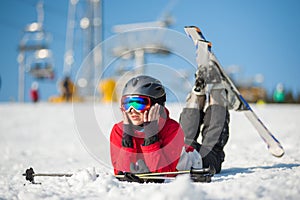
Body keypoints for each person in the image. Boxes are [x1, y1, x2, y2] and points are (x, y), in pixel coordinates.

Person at [109, 75, 230, 182]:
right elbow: (121, 172)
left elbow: (163, 172)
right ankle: (196, 95)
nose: (131, 110)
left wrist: (151, 136)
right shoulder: (119, 131)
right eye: (127, 103)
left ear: (156, 105)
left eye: (138, 103)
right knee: (187, 134)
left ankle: (217, 97)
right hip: (180, 146)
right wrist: (127, 140)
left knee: (213, 147)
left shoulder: (172, 129)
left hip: (196, 157)